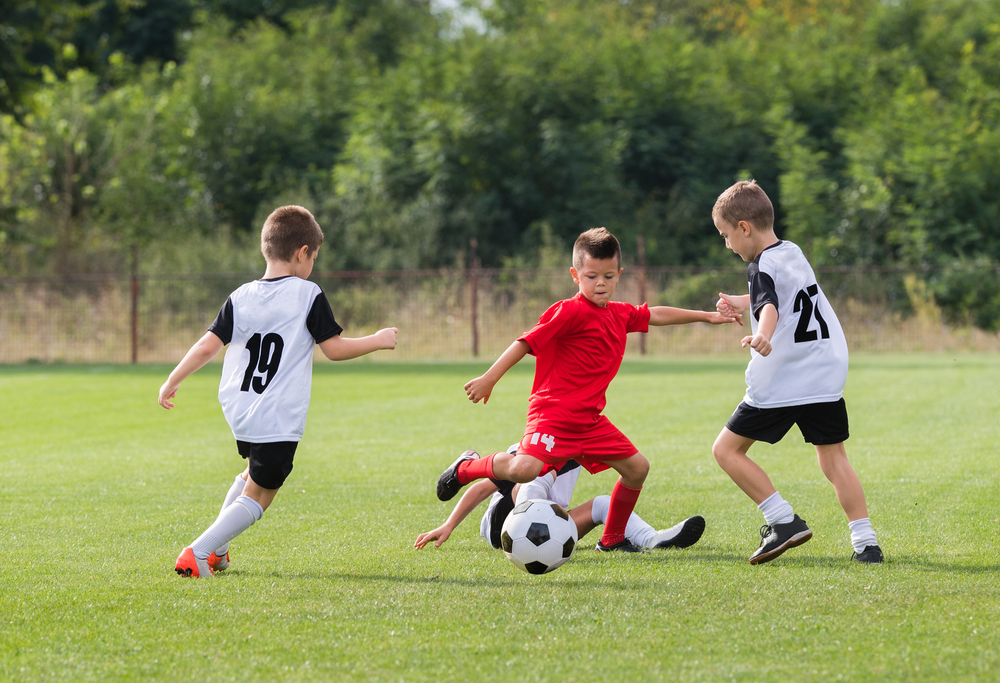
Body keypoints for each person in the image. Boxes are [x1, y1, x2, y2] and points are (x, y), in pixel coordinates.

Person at [435, 227, 736, 552]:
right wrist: (490, 378)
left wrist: (708, 316)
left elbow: (655, 314)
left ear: (619, 275)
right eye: (592, 276)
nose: (600, 283)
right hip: (551, 416)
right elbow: (525, 342)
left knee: (637, 469)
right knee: (524, 470)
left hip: (589, 423)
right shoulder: (568, 310)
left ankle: (613, 538)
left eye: (608, 276)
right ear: (575, 275)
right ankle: (465, 469)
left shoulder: (620, 314)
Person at [158, 205, 398, 578]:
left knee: (250, 475)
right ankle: (198, 553)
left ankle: (218, 551)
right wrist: (378, 340)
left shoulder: (241, 296)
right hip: (276, 414)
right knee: (261, 494)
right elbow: (334, 349)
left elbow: (207, 346)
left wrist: (173, 379)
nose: (313, 265)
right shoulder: (307, 294)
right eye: (314, 257)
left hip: (240, 408)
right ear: (302, 253)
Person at [711, 180, 883, 565]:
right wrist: (740, 301)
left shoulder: (759, 267)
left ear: (744, 228)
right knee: (833, 459)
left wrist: (762, 335)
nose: (727, 245)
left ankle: (783, 521)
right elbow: (782, 295)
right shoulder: (792, 252)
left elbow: (770, 306)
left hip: (786, 377)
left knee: (726, 450)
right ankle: (866, 544)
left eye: (726, 235)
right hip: (824, 372)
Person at [416, 444, 706, 552]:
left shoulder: (580, 447)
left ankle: (652, 538)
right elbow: (482, 489)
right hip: (502, 526)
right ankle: (467, 462)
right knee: (533, 479)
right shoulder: (531, 450)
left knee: (603, 504)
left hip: (551, 528)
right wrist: (448, 525)